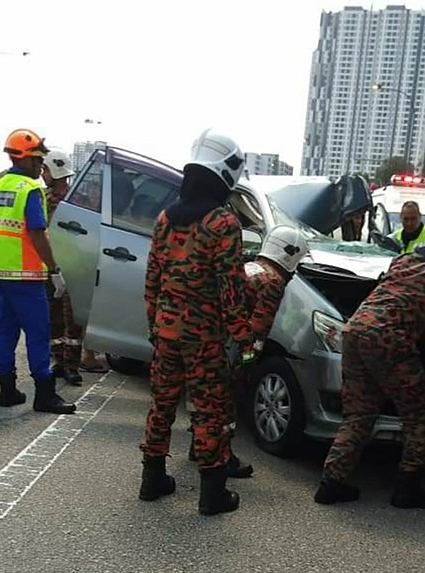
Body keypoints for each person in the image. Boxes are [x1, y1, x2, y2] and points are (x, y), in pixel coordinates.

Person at [314, 201, 425, 507]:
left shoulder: (407, 259)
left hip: (356, 329)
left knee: (359, 413)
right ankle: (407, 489)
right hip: (389, 339)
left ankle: (332, 482)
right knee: (420, 414)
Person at [139, 128, 253, 516]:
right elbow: (231, 287)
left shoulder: (166, 218)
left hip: (168, 333)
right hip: (204, 338)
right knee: (209, 412)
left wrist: (155, 323)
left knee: (162, 405)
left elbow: (152, 277)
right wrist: (243, 334)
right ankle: (212, 494)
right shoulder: (223, 223)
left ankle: (152, 479)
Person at [186, 224, 310, 479]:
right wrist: (247, 364)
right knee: (226, 403)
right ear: (291, 255)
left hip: (203, 340)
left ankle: (198, 446)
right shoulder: (273, 281)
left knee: (204, 398)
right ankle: (223, 457)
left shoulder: (249, 268)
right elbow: (257, 328)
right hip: (227, 348)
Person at [0, 129, 76, 415]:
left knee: (6, 333)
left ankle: (7, 391)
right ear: (23, 158)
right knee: (38, 333)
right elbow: (37, 233)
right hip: (26, 274)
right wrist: (55, 269)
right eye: (37, 159)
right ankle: (45, 394)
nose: (40, 165)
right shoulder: (30, 189)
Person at [41, 149, 83, 386]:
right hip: (50, 266)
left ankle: (72, 366)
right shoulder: (42, 198)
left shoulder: (76, 202)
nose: (43, 174)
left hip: (73, 267)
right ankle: (58, 361)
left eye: (45, 169)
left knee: (73, 319)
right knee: (53, 318)